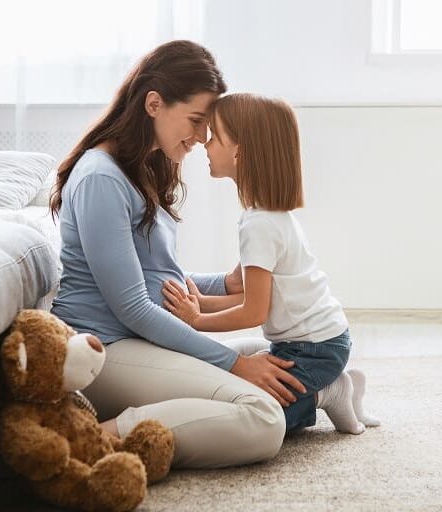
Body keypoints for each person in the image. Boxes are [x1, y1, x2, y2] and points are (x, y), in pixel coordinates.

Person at [49, 41, 307, 469]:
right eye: (196, 121)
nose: (203, 137)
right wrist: (235, 364)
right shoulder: (101, 178)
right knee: (263, 417)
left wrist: (223, 284)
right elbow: (133, 306)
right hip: (105, 348)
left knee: (281, 355)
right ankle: (93, 437)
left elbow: (153, 278)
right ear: (154, 104)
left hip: (137, 338)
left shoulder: (142, 169)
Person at [162, 93, 379, 435]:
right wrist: (201, 303)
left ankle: (331, 390)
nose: (205, 143)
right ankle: (342, 382)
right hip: (316, 341)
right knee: (240, 392)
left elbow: (253, 312)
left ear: (240, 152)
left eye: (215, 136)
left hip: (316, 350)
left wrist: (197, 319)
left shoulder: (259, 225)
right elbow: (258, 296)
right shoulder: (265, 216)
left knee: (268, 415)